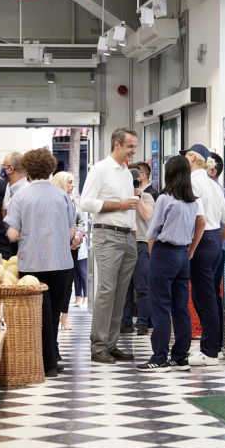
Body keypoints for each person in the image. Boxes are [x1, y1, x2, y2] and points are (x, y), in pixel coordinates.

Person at [5, 148, 76, 378]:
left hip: (33, 264)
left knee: (38, 316)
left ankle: (46, 362)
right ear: (50, 169)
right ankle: (52, 358)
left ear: (27, 170)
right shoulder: (62, 196)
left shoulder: (20, 196)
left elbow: (13, 235)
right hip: (61, 262)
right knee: (53, 314)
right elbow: (70, 234)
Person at [136, 155, 205, 372]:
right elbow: (198, 226)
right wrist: (190, 250)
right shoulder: (193, 202)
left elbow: (153, 231)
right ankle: (180, 357)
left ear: (169, 173)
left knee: (160, 307)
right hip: (183, 255)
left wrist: (153, 252)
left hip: (164, 253)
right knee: (180, 307)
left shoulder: (165, 199)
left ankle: (159, 358)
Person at [80, 127, 140, 364]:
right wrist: (119, 205)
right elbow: (86, 203)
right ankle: (98, 347)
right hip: (107, 235)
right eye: (130, 146)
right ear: (117, 144)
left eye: (134, 146)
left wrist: (133, 233)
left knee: (120, 294)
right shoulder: (100, 169)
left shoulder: (126, 172)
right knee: (106, 291)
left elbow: (130, 207)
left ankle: (111, 345)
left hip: (127, 237)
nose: (133, 151)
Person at [185, 144, 225, 366]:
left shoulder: (193, 182)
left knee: (204, 298)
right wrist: (216, 242)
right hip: (215, 240)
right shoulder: (213, 185)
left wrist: (193, 248)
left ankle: (210, 352)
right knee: (206, 296)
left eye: (187, 155)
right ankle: (211, 345)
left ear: (193, 158)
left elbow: (199, 219)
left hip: (201, 240)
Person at [121, 165, 154, 335]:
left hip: (142, 244)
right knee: (125, 288)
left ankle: (142, 323)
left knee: (142, 287)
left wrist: (138, 196)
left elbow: (148, 215)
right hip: (125, 243)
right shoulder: (121, 196)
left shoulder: (147, 196)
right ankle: (125, 322)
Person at [50, 171, 85, 331]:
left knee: (67, 284)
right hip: (56, 247)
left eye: (73, 182)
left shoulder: (74, 201)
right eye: (69, 182)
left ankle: (64, 316)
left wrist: (78, 236)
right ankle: (53, 315)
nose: (72, 185)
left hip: (73, 247)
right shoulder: (52, 201)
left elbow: (81, 221)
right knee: (56, 282)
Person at [208, 152, 225, 334]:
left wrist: (217, 242)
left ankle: (215, 340)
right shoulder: (209, 188)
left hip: (215, 248)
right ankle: (212, 339)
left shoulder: (216, 191)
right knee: (210, 291)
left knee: (211, 292)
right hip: (214, 247)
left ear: (213, 171)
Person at [1, 152, 29, 256]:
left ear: (11, 169)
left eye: (4, 165)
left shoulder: (22, 193)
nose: (2, 169)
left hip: (18, 247)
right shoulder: (13, 190)